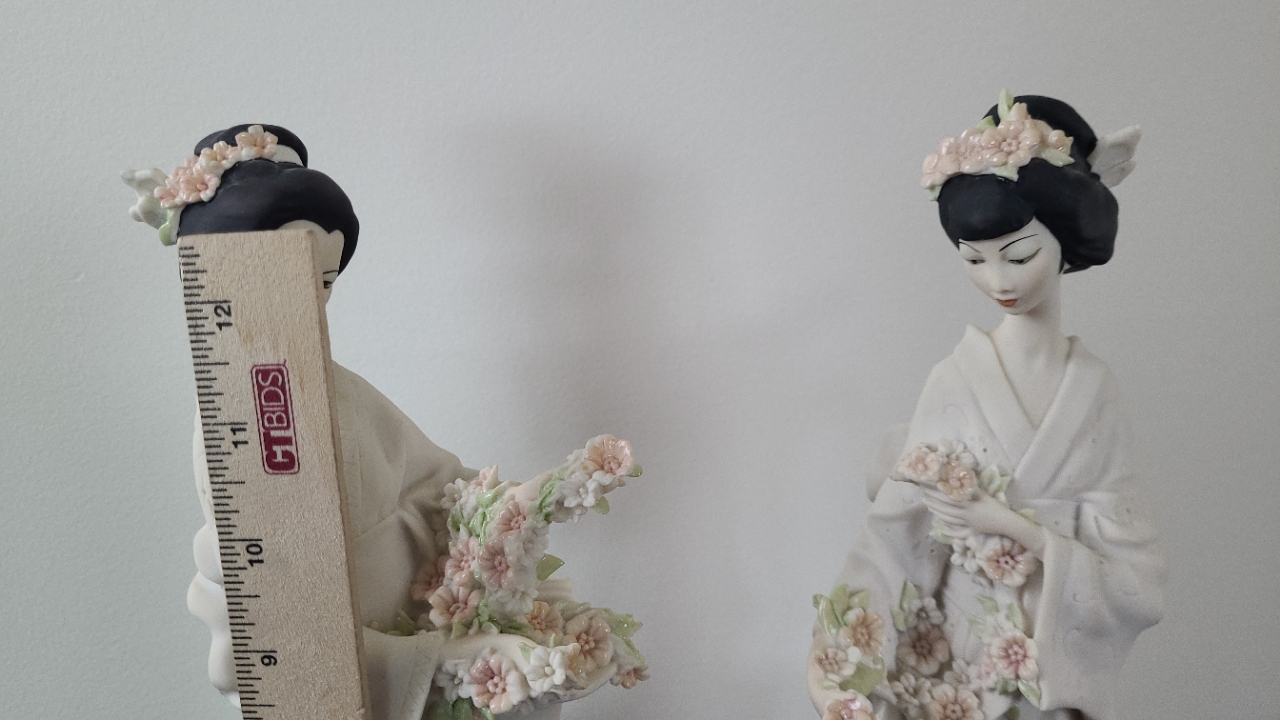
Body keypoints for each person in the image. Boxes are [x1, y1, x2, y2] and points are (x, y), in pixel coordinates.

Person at [125, 125, 604, 720]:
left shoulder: (339, 386)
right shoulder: (233, 412)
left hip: (407, 600)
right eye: (288, 278)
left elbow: (432, 477)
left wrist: (515, 506)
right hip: (336, 627)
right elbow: (274, 580)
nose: (314, 297)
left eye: (325, 280)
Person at [807, 94, 1166, 720]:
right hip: (959, 663)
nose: (999, 281)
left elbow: (1134, 574)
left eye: (1019, 256)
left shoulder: (1095, 390)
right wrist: (841, 664)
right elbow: (895, 534)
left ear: (1065, 245)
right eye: (974, 260)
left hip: (1049, 668)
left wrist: (1014, 528)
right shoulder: (954, 381)